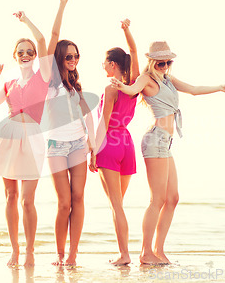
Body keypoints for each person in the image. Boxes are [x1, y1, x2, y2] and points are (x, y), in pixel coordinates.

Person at [110, 41, 225, 265]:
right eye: (161, 62)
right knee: (157, 199)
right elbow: (132, 89)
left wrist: (220, 87)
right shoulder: (146, 79)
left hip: (166, 142)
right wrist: (120, 86)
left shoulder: (168, 79)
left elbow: (194, 90)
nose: (165, 66)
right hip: (155, 140)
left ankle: (158, 250)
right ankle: (145, 252)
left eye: (168, 62)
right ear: (152, 61)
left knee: (173, 198)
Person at [0, 11, 51, 267]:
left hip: (32, 138)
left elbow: (43, 40)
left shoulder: (43, 76)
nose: (25, 54)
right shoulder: (10, 81)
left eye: (29, 51)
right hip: (8, 137)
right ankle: (15, 250)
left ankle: (30, 250)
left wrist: (26, 21)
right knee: (10, 196)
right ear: (15, 55)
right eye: (21, 51)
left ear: (34, 56)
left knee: (27, 199)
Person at [45, 0, 95, 266]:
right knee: (64, 203)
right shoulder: (50, 80)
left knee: (78, 198)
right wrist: (62, 5)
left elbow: (88, 115)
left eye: (76, 56)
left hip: (78, 144)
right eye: (68, 56)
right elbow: (53, 38)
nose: (73, 60)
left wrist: (92, 143)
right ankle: (60, 254)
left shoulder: (75, 86)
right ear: (59, 59)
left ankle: (73, 255)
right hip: (56, 147)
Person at [89, 19, 139, 265]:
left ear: (112, 64)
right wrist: (127, 30)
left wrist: (92, 152)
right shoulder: (134, 83)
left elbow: (103, 124)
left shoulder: (111, 88)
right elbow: (135, 52)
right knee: (119, 204)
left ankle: (124, 255)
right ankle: (125, 253)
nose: (102, 67)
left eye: (104, 63)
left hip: (110, 144)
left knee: (115, 206)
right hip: (127, 144)